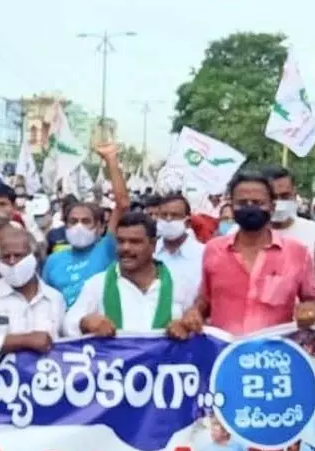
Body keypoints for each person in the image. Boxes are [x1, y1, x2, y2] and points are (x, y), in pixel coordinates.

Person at [170, 171, 315, 338]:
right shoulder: (214, 250)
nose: (250, 208)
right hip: (225, 355)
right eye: (242, 203)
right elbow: (206, 299)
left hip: (274, 356)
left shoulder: (296, 253)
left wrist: (309, 309)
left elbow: (313, 299)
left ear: (272, 206)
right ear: (231, 206)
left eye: (258, 202)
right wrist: (194, 312)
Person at [64, 211, 196, 337]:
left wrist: (185, 327)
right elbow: (68, 325)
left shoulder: (180, 284)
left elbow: (194, 325)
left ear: (153, 245)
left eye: (135, 242)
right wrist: (86, 323)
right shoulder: (97, 284)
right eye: (121, 241)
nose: (125, 248)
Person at [0, 225, 65, 367]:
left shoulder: (54, 299)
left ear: (34, 257)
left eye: (19, 255)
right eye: (6, 257)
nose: (12, 262)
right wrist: (24, 340)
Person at [43, 144, 130, 307]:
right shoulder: (53, 261)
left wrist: (111, 160)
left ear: (99, 227)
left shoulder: (107, 249)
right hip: (66, 330)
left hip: (101, 328)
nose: (79, 226)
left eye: (86, 221)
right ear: (65, 226)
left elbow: (123, 204)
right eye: (73, 221)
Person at [254, 165, 315, 252]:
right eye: (273, 197)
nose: (278, 203)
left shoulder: (314, 231)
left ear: (294, 193)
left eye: (285, 196)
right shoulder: (243, 234)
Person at [154, 192, 205, 292]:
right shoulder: (150, 252)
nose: (168, 219)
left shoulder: (203, 254)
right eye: (164, 215)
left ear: (187, 222)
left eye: (175, 215)